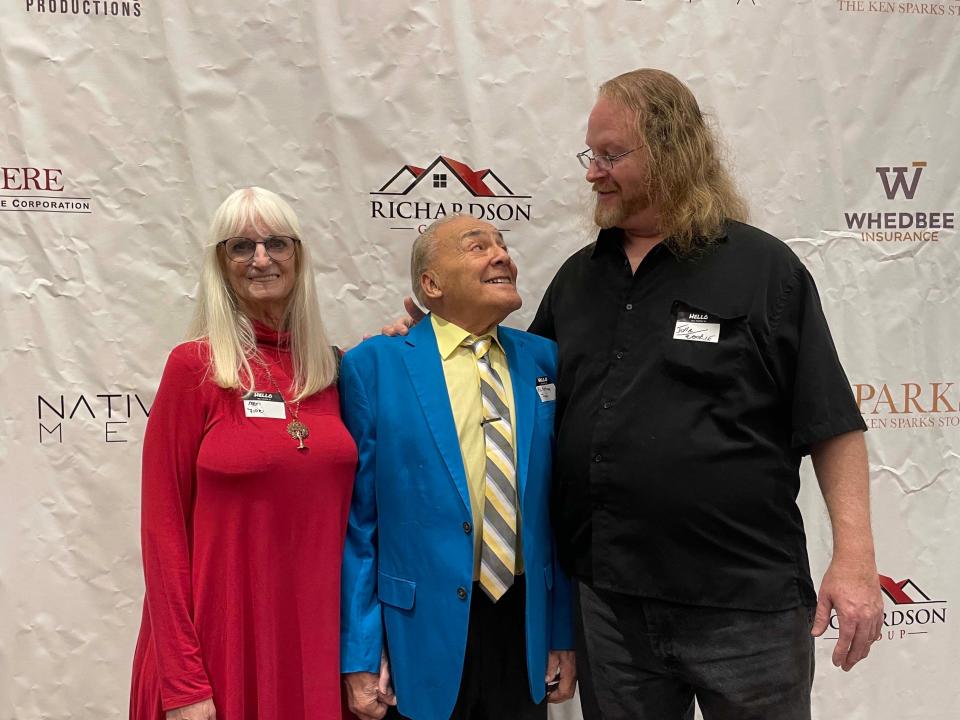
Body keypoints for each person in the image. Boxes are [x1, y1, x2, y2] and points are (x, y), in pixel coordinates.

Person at [388, 69, 884, 720]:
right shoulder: (578, 280)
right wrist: (428, 339)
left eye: (610, 155)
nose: (593, 173)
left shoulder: (764, 271)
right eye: (589, 155)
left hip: (744, 604)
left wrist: (854, 560)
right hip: (612, 605)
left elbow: (831, 422)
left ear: (672, 148)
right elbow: (505, 385)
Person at [129, 187, 356, 720]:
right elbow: (161, 533)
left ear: (298, 256)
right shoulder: (194, 368)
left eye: (276, 242)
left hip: (315, 647)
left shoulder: (334, 370)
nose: (260, 258)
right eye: (240, 247)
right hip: (217, 649)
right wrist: (183, 684)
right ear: (220, 264)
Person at [339, 215, 576, 720]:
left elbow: (558, 515)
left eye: (503, 245)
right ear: (431, 284)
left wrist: (561, 633)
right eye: (478, 246)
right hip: (415, 633)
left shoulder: (545, 361)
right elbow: (358, 526)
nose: (502, 256)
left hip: (521, 623)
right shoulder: (373, 365)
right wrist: (360, 654)